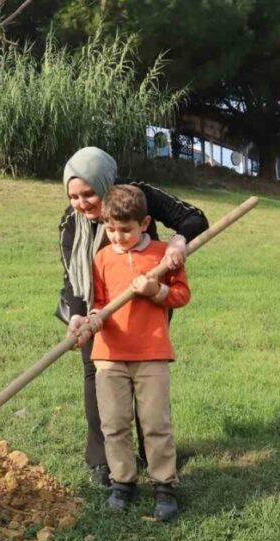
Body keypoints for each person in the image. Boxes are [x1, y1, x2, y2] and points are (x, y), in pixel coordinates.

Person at [57, 147, 207, 488]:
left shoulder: (138, 196)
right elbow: (72, 278)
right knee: (97, 374)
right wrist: (78, 318)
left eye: (88, 193)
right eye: (73, 196)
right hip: (96, 306)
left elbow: (194, 217)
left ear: (104, 183)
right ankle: (104, 460)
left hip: (147, 302)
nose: (81, 203)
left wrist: (178, 242)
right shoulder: (70, 222)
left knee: (145, 377)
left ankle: (153, 456)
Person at [67, 185, 189, 520]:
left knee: (155, 423)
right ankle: (122, 481)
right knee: (114, 423)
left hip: (151, 353)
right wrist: (93, 318)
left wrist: (156, 290)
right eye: (111, 230)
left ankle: (164, 484)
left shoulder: (163, 255)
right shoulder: (102, 258)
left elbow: (181, 295)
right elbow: (98, 301)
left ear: (144, 223)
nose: (118, 237)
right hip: (109, 355)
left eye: (126, 230)